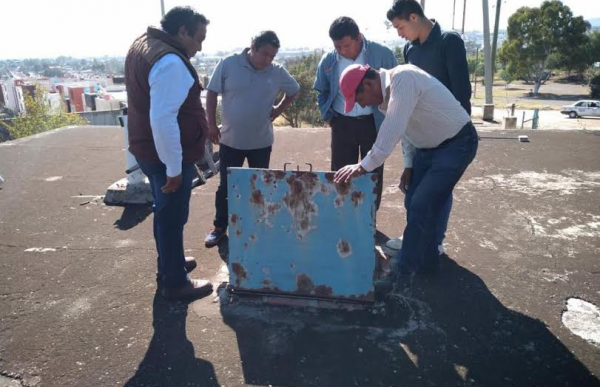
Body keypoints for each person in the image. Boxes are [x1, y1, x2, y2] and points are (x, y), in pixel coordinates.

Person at [334, 63, 478, 276]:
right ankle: (428, 261)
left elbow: (392, 129)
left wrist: (363, 166)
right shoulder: (385, 100)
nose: (361, 105)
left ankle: (404, 270)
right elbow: (407, 131)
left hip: (457, 144)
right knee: (412, 200)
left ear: (368, 83)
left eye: (358, 98)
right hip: (427, 149)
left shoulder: (403, 79)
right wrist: (409, 166)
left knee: (422, 203)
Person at [125, 6, 213, 300]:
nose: (199, 48)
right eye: (198, 38)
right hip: (163, 156)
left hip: (146, 148)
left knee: (164, 213)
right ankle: (175, 282)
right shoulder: (171, 62)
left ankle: (170, 264)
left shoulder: (144, 44)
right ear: (182, 32)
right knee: (172, 217)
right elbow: (163, 120)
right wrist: (174, 169)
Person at [386, 0, 472, 255]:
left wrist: (456, 137)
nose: (399, 33)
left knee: (439, 191)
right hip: (421, 135)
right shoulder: (410, 52)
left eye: (400, 26)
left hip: (450, 135)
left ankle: (435, 243)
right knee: (415, 192)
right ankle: (415, 238)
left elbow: (461, 93)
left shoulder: (449, 41)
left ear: (414, 17)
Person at [204, 31, 300, 248]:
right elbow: (211, 93)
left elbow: (294, 90)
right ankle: (220, 227)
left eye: (272, 56)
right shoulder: (229, 64)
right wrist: (210, 125)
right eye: (264, 54)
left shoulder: (277, 72)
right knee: (226, 187)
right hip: (231, 140)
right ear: (252, 48)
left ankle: (258, 225)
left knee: (260, 186)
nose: (268, 60)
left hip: (261, 142)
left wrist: (277, 109)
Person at [314, 17, 397, 209]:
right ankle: (342, 217)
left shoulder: (382, 54)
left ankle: (369, 221)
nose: (342, 51)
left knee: (373, 172)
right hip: (342, 123)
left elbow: (395, 85)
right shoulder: (328, 60)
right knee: (341, 173)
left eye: (346, 45)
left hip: (373, 121)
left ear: (358, 37)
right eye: (338, 47)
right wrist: (329, 117)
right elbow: (321, 90)